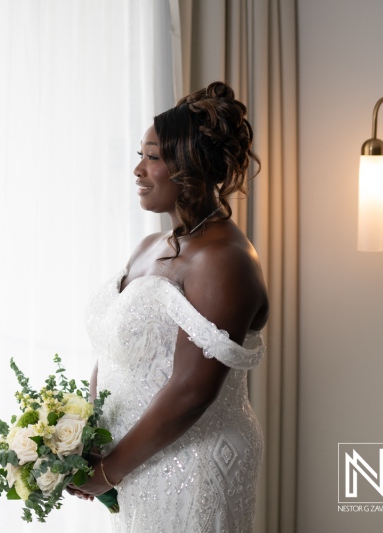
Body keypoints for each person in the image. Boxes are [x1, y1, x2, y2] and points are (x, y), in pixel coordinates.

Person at [69, 81, 268, 532]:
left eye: (153, 157)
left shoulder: (223, 260)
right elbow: (116, 350)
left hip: (191, 464)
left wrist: (108, 470)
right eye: (140, 155)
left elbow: (191, 391)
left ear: (190, 165)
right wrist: (85, 434)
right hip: (137, 458)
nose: (138, 169)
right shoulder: (148, 246)